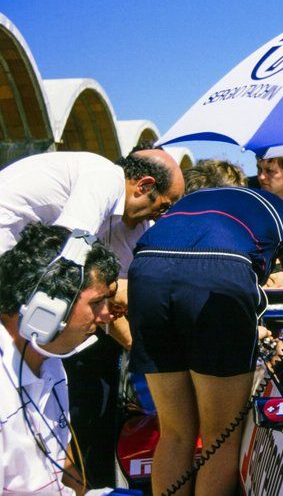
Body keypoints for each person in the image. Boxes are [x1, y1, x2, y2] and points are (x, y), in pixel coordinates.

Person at [127, 168, 283, 496]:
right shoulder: (270, 203)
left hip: (147, 272)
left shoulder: (186, 205)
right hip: (218, 270)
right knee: (221, 436)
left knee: (175, 432)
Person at [0, 148, 184, 487]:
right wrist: (122, 291)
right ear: (144, 185)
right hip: (16, 286)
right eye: (164, 205)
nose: (161, 216)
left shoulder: (132, 225)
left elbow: (116, 304)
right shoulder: (102, 179)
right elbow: (69, 267)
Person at [0, 222, 119, 494]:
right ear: (49, 306)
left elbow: (60, 460)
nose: (105, 316)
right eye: (96, 302)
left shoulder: (49, 359)